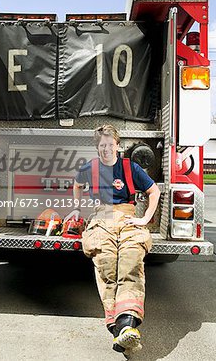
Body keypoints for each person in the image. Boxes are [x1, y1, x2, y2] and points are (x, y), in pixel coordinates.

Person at [66, 124, 160, 356]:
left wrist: (145, 218)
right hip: (100, 218)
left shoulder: (130, 167)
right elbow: (77, 185)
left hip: (128, 218)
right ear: (97, 148)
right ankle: (122, 329)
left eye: (110, 144)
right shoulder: (90, 168)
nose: (106, 149)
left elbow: (154, 191)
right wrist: (76, 209)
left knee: (131, 259)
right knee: (107, 265)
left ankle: (126, 324)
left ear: (118, 146)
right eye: (102, 145)